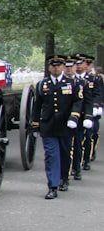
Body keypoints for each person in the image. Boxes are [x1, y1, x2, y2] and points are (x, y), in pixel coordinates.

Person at [31, 55, 84, 199]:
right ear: (49, 68)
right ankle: (52, 186)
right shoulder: (43, 85)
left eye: (58, 66)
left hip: (66, 125)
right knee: (51, 155)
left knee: (65, 154)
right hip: (48, 126)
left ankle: (64, 178)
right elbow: (37, 107)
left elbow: (78, 101)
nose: (56, 68)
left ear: (62, 67)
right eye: (53, 66)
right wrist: (35, 125)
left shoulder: (72, 83)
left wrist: (74, 117)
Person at [76, 53, 101, 169]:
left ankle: (87, 158)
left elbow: (98, 93)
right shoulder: (73, 80)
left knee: (90, 136)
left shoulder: (93, 78)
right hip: (77, 112)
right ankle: (78, 161)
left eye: (83, 63)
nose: (81, 66)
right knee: (77, 139)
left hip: (89, 112)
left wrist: (96, 106)